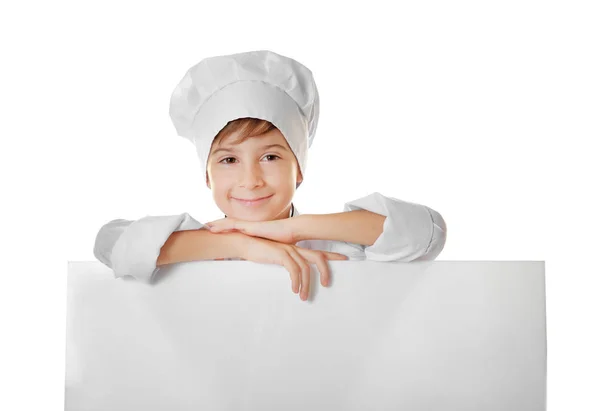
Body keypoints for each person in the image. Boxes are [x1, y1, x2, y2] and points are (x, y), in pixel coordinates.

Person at [93, 50, 447, 302]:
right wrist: (240, 244)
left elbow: (427, 232)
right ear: (207, 176)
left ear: (300, 170)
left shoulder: (335, 250)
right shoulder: (187, 245)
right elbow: (109, 243)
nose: (251, 180)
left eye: (270, 156)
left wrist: (293, 229)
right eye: (229, 159)